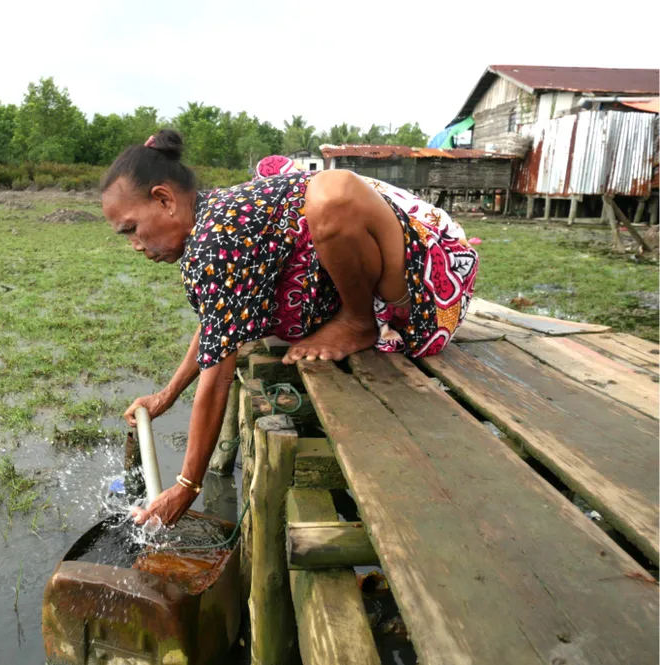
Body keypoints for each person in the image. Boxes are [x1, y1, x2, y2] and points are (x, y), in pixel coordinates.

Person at [100, 130, 477, 527]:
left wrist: (187, 485)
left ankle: (358, 321)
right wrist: (166, 395)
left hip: (428, 289)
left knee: (332, 192)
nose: (135, 245)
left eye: (130, 229)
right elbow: (217, 327)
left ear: (164, 199)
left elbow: (218, 376)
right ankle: (356, 316)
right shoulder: (207, 230)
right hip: (394, 290)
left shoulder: (216, 234)